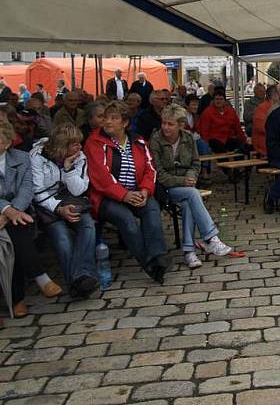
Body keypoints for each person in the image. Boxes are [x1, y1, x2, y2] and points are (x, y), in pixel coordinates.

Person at [85, 101, 170, 284]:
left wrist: (145, 191)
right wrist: (124, 195)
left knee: (152, 210)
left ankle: (158, 257)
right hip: (107, 197)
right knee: (127, 221)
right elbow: (100, 176)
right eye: (106, 118)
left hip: (137, 192)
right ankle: (149, 264)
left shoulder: (138, 142)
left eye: (114, 118)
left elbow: (150, 169)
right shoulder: (95, 142)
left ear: (124, 123)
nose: (107, 122)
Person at [150, 104, 232, 268]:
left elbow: (195, 163)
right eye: (164, 123)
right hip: (164, 187)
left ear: (181, 125)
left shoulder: (188, 138)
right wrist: (182, 181)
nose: (166, 127)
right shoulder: (156, 141)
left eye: (170, 124)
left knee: (188, 202)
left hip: (186, 186)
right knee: (193, 194)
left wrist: (191, 176)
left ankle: (189, 252)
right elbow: (158, 173)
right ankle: (210, 237)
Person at [1, 120, 63, 318]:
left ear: (7, 142)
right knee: (17, 229)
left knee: (17, 229)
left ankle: (17, 299)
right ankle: (40, 279)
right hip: (7, 212)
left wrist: (14, 211)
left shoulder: (21, 157)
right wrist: (7, 210)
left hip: (19, 213)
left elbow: (28, 188)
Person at [30, 123, 97, 299]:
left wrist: (68, 169)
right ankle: (79, 282)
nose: (79, 147)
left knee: (87, 225)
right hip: (47, 204)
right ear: (62, 145)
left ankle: (80, 279)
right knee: (61, 236)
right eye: (74, 144)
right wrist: (58, 209)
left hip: (71, 198)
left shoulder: (79, 157)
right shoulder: (37, 156)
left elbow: (78, 190)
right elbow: (38, 192)